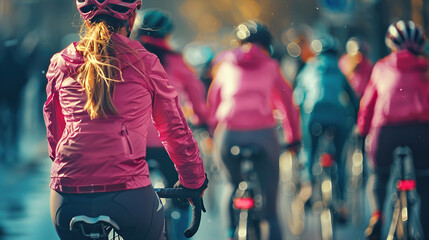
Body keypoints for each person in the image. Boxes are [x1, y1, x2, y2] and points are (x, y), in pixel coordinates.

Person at [43, 1, 207, 239]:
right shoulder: (145, 61)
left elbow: (54, 129)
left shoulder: (61, 61)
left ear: (86, 20)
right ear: (131, 20)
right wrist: (193, 181)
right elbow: (174, 129)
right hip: (128, 193)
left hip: (66, 196)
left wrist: (71, 168)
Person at [207, 20, 301, 240]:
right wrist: (293, 138)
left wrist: (213, 133)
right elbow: (287, 105)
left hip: (229, 135)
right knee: (270, 207)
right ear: (266, 45)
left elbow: (213, 102)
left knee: (231, 185)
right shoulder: (271, 66)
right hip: (263, 134)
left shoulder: (225, 65)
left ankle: (231, 233)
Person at [132, 8, 208, 239]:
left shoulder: (128, 58)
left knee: (128, 195)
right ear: (167, 34)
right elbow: (196, 97)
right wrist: (202, 120)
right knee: (184, 195)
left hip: (133, 143)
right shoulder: (176, 61)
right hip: (168, 144)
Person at [358, 20, 429, 239]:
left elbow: (368, 104)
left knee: (379, 176)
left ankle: (378, 215)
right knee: (425, 182)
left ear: (391, 44)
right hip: (420, 131)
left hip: (385, 131)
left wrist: (362, 132)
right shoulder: (426, 68)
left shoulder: (380, 67)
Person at [293, 33, 359, 221]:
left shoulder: (309, 69)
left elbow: (297, 98)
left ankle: (307, 188)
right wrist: (354, 121)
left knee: (310, 152)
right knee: (339, 159)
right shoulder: (340, 71)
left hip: (313, 116)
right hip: (338, 118)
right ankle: (341, 203)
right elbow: (353, 100)